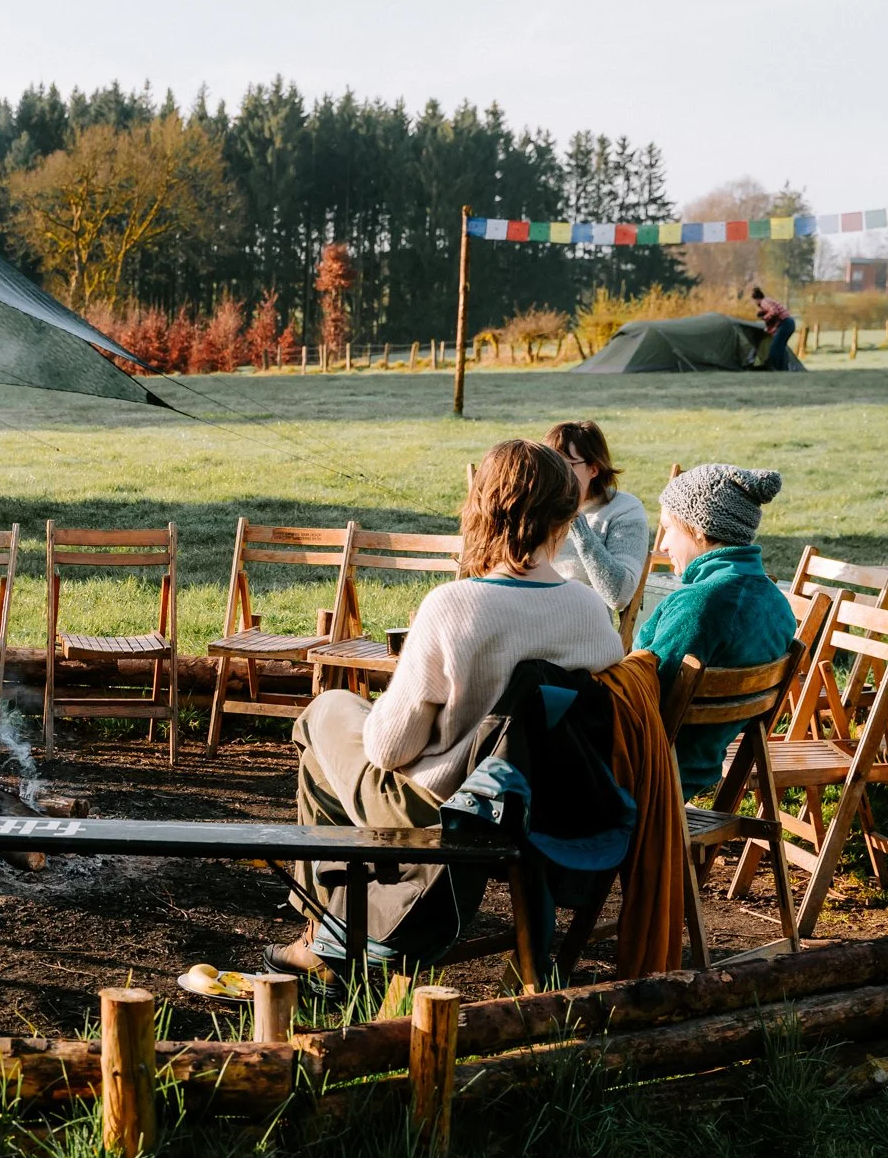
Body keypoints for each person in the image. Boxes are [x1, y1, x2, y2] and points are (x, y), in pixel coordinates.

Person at [268, 439, 624, 986]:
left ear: (483, 510)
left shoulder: (453, 605)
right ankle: (337, 934)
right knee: (344, 723)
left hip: (440, 811)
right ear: (566, 515)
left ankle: (325, 942)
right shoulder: (590, 611)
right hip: (540, 809)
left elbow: (390, 751)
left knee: (324, 715)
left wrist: (398, 687)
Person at [632, 464, 796, 795]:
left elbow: (640, 701)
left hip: (646, 777)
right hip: (700, 769)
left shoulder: (698, 605)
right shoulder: (777, 605)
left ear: (697, 529)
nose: (662, 545)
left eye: (667, 530)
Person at [545, 420, 649, 613]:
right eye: (549, 463)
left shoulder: (624, 510)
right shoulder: (535, 505)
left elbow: (619, 595)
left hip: (581, 628)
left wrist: (576, 522)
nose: (554, 473)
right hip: (527, 619)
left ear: (593, 469)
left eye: (566, 464)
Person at [752, 286, 796, 371]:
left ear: (757, 299)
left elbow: (774, 311)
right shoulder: (769, 302)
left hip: (786, 323)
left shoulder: (764, 302)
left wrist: (765, 317)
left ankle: (778, 368)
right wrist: (768, 330)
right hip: (789, 323)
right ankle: (784, 369)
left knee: (775, 349)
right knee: (781, 348)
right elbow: (774, 325)